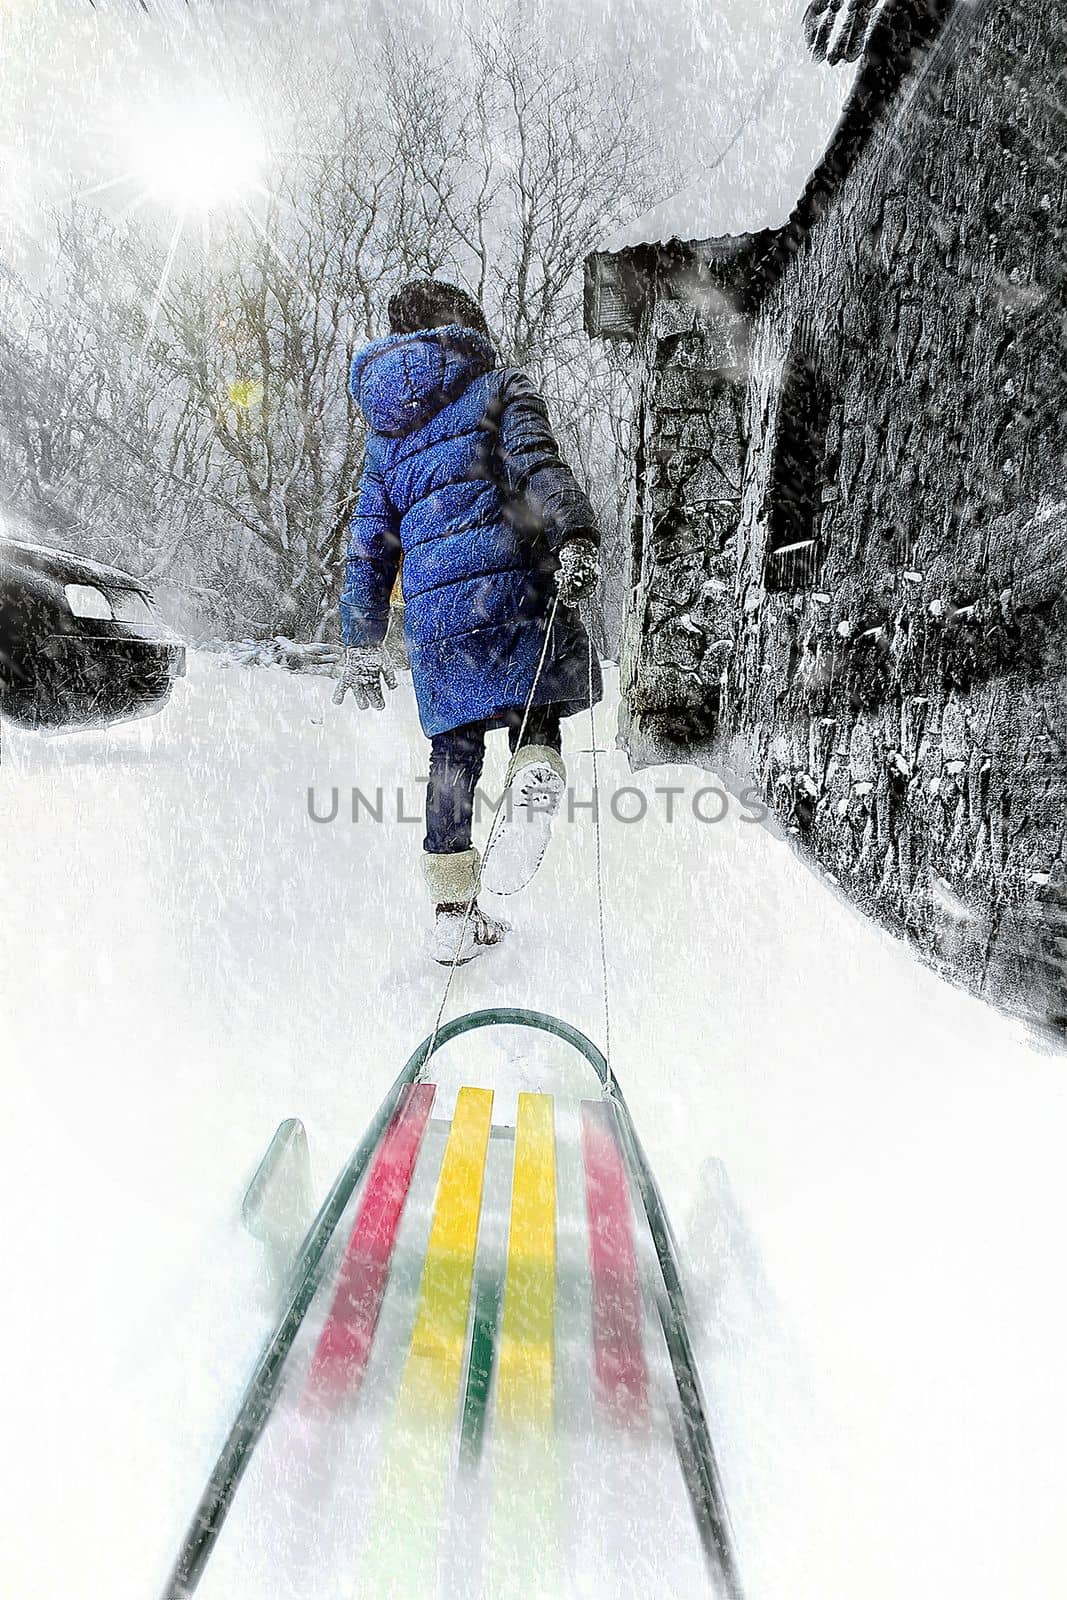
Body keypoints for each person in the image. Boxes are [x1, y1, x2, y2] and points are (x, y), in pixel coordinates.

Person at [333, 277, 601, 965]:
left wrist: (361, 639)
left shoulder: (384, 437)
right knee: (532, 705)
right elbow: (536, 467)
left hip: (437, 618)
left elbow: (369, 541)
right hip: (511, 586)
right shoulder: (500, 387)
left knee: (452, 754)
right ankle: (535, 768)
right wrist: (573, 534)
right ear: (465, 329)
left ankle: (452, 913)